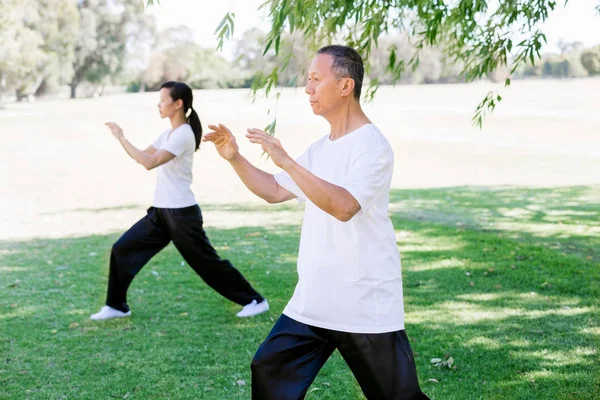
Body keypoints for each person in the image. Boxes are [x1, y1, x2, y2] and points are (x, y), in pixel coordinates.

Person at [203, 46, 429, 399]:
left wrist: (289, 161)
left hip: (363, 301)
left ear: (345, 86)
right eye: (308, 80)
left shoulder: (371, 146)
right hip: (315, 299)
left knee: (397, 396)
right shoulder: (322, 147)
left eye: (316, 79)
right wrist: (235, 158)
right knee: (269, 369)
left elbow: (344, 206)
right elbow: (275, 190)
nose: (307, 88)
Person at [90, 81, 269, 321]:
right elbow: (144, 155)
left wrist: (121, 137)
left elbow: (149, 162)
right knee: (123, 249)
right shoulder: (169, 133)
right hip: (162, 213)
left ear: (178, 104)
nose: (159, 105)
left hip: (181, 215)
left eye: (163, 100)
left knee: (206, 263)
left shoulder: (183, 134)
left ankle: (255, 300)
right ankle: (116, 306)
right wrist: (122, 142)